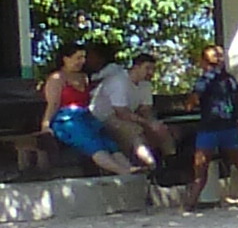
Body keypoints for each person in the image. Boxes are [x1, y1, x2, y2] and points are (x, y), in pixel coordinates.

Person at [185, 43, 238, 209]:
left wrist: (190, 103)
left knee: (200, 171)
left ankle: (189, 205)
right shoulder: (229, 79)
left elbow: (192, 103)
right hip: (229, 126)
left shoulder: (204, 80)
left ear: (203, 62)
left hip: (208, 128)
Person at [35, 45, 123, 176]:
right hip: (66, 120)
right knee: (91, 142)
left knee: (108, 141)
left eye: (83, 58)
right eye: (78, 58)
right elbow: (53, 104)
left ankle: (128, 167)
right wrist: (45, 125)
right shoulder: (57, 78)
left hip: (86, 117)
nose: (81, 61)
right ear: (65, 59)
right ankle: (121, 170)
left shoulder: (83, 77)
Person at [85, 50, 173, 170]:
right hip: (102, 117)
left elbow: (145, 109)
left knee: (162, 130)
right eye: (147, 68)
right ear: (136, 67)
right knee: (134, 131)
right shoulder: (119, 81)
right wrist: (147, 123)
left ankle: (171, 162)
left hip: (125, 114)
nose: (151, 73)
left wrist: (154, 123)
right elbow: (121, 112)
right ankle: (151, 165)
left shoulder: (145, 85)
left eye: (153, 69)